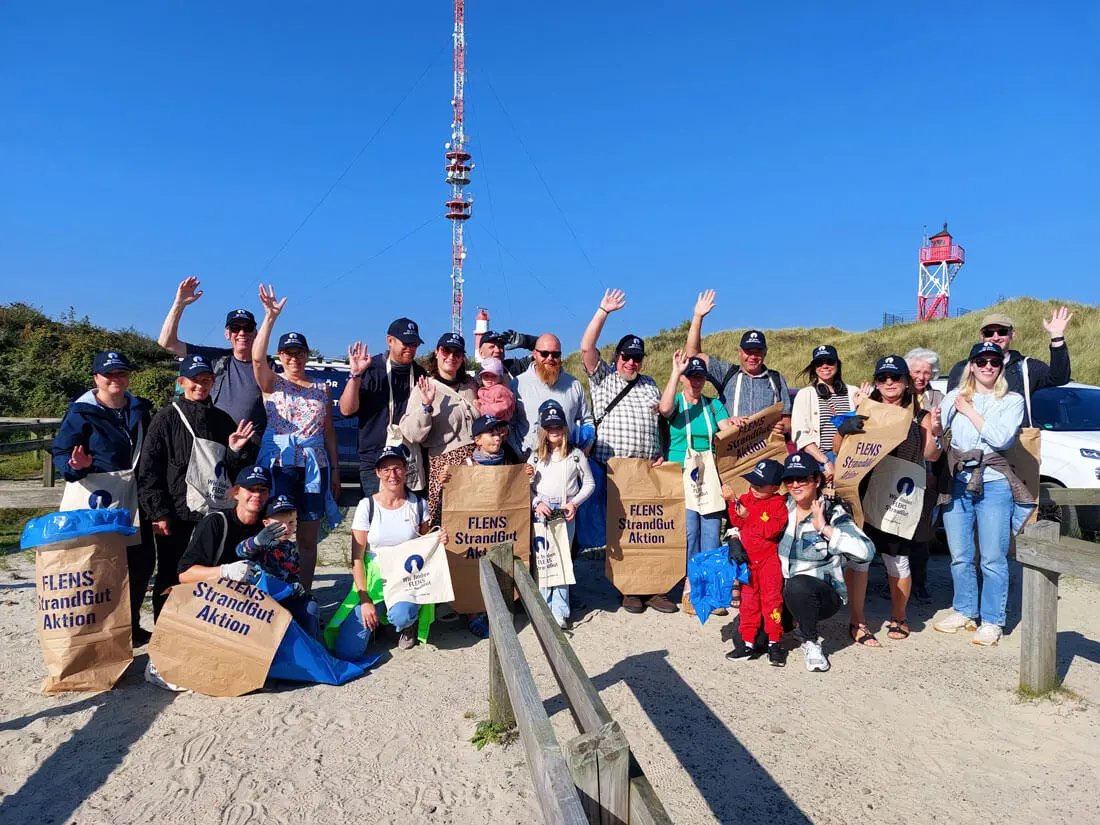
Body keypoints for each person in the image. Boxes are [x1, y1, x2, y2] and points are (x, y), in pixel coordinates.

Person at [137, 354, 255, 621]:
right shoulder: (165, 419)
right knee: (171, 572)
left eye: (206, 380)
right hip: (177, 513)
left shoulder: (223, 420)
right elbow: (149, 469)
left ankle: (202, 629)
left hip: (214, 513)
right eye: (194, 380)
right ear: (181, 382)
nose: (200, 385)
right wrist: (158, 513)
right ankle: (166, 630)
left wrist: (236, 451)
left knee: (213, 570)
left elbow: (234, 471)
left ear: (213, 382)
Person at [580, 288, 674, 615]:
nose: (631, 362)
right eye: (626, 357)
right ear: (617, 357)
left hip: (646, 469)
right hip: (614, 470)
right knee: (621, 532)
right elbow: (586, 347)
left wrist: (662, 451)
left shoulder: (649, 382)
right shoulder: (603, 377)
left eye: (637, 358)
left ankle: (653, 588)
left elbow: (664, 413)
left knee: (649, 530)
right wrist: (603, 311)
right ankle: (629, 590)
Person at [836, 356, 942, 645]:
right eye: (883, 378)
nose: (889, 384)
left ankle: (899, 615)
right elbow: (839, 448)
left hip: (899, 494)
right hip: (865, 489)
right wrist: (844, 427)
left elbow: (931, 455)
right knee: (860, 559)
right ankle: (857, 620)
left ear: (907, 382)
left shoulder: (920, 415)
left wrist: (936, 429)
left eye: (895, 378)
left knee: (898, 562)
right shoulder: (866, 410)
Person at [935, 342, 1035, 646]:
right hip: (959, 480)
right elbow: (939, 431)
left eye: (993, 361)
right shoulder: (954, 396)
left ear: (1001, 366)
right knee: (960, 554)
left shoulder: (1012, 400)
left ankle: (992, 620)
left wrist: (970, 411)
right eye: (981, 361)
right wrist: (937, 424)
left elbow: (1001, 438)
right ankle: (965, 609)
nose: (987, 366)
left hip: (993, 483)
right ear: (972, 365)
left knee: (992, 557)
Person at [52, 351, 155, 646]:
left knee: (139, 562)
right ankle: (96, 632)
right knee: (97, 566)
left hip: (133, 496)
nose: (115, 379)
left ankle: (131, 625)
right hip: (94, 498)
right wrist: (74, 467)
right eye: (109, 374)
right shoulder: (81, 412)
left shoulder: (139, 410)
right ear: (96, 378)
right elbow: (62, 453)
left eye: (120, 373)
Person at [251, 285, 341, 592]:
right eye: (289, 353)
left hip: (315, 468)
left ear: (307, 354)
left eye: (300, 353)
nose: (295, 358)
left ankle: (304, 593)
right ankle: (275, 591)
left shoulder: (321, 389)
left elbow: (328, 430)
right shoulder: (272, 383)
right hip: (281, 466)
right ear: (281, 356)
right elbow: (256, 361)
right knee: (278, 532)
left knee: (308, 536)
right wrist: (269, 318)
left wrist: (336, 472)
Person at [328, 446, 444, 656]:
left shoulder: (418, 504)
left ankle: (407, 622)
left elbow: (424, 545)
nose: (393, 475)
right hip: (374, 580)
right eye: (386, 469)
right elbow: (357, 559)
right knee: (348, 651)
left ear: (406, 468)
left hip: (405, 578)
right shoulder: (367, 506)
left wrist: (438, 539)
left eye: (398, 468)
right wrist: (364, 601)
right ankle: (378, 620)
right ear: (378, 473)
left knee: (403, 614)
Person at [776, 452, 875, 673]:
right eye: (789, 479)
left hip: (822, 595)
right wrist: (734, 535)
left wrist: (824, 528)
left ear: (817, 480)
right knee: (760, 636)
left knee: (799, 585)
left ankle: (810, 641)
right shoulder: (779, 507)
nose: (795, 484)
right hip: (783, 592)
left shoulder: (833, 511)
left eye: (803, 479)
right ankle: (791, 619)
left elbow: (866, 551)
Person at [659, 351, 734, 613]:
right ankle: (690, 590)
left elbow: (727, 430)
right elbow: (664, 409)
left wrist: (737, 424)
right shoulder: (677, 402)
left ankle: (710, 591)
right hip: (682, 475)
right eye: (691, 377)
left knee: (711, 533)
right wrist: (674, 372)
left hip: (710, 476)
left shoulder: (714, 405)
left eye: (700, 377)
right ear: (683, 379)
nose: (696, 382)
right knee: (690, 534)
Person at [157, 276, 267, 438]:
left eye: (248, 328)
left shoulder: (267, 366)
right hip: (213, 441)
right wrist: (179, 304)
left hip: (252, 449)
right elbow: (167, 343)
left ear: (256, 334)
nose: (242, 333)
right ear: (227, 334)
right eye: (235, 328)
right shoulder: (214, 358)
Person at [338, 318, 427, 498]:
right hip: (375, 462)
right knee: (379, 522)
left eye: (415, 344)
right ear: (390, 340)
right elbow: (346, 410)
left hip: (409, 461)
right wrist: (355, 375)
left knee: (409, 522)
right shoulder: (371, 369)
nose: (410, 348)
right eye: (406, 343)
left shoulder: (420, 374)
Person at [684, 290, 792, 436]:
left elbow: (787, 420)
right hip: (733, 451)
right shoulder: (727, 373)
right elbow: (693, 357)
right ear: (740, 352)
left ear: (765, 352)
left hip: (766, 451)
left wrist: (782, 427)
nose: (753, 357)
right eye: (748, 351)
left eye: (757, 352)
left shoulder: (776, 379)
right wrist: (698, 317)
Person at [399, 332, 480, 526]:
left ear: (462, 358)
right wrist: (426, 406)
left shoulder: (470, 387)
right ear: (436, 353)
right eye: (446, 351)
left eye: (457, 353)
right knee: (445, 525)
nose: (451, 357)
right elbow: (412, 433)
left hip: (475, 465)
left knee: (473, 523)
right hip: (444, 467)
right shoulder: (425, 387)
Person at [528, 400, 596, 629]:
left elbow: (588, 483)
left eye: (558, 426)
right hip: (543, 514)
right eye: (550, 427)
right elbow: (526, 486)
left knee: (562, 559)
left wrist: (574, 503)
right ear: (544, 431)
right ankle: (542, 606)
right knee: (544, 560)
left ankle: (559, 609)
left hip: (564, 514)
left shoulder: (576, 455)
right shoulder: (536, 456)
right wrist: (536, 503)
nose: (554, 431)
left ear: (564, 428)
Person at [945, 308, 1072, 425]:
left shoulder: (1025, 367)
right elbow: (951, 407)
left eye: (1002, 332)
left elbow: (1059, 377)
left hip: (1015, 443)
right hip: (971, 443)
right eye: (989, 333)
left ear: (1012, 334)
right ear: (982, 336)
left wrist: (1057, 337)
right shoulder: (962, 368)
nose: (996, 337)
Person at [725, 459, 789, 666]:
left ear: (774, 487)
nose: (754, 489)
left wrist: (749, 515)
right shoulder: (746, 498)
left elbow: (771, 530)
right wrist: (732, 501)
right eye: (752, 483)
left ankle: (775, 642)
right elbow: (736, 520)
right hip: (749, 562)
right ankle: (747, 642)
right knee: (749, 603)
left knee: (772, 602)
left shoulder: (778, 505)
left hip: (769, 562)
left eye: (760, 486)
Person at [236, 494, 320, 638]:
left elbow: (294, 574)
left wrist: (299, 589)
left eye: (291, 522)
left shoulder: (292, 548)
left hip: (286, 598)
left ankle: (309, 645)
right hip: (262, 600)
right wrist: (257, 541)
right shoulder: (261, 544)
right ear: (266, 524)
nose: (286, 528)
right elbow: (240, 551)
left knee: (311, 609)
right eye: (279, 523)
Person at [508, 333, 593, 458]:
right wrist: (518, 454)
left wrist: (587, 445)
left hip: (565, 464)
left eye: (555, 354)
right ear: (534, 354)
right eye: (544, 354)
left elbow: (586, 420)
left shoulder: (574, 384)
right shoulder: (517, 384)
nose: (550, 358)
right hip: (527, 465)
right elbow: (510, 425)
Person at [905, 347, 945, 604]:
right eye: (916, 371)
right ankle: (895, 583)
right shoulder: (897, 395)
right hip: (899, 470)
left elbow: (943, 437)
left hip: (928, 471)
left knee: (922, 532)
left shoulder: (939, 398)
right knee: (898, 531)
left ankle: (919, 582)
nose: (921, 377)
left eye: (926, 373)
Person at [791, 344, 861, 483]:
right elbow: (801, 436)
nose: (825, 366)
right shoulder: (806, 394)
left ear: (837, 364)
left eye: (830, 362)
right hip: (822, 459)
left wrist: (861, 406)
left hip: (852, 459)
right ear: (814, 367)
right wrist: (826, 462)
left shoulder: (853, 391)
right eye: (819, 363)